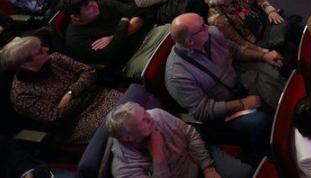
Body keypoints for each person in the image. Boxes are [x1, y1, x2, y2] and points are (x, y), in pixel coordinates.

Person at [164, 13, 280, 157]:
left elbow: (235, 50)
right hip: (223, 112)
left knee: (276, 84)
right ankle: (265, 155)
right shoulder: (177, 76)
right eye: (202, 27)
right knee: (261, 121)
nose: (208, 27)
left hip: (239, 83)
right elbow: (203, 110)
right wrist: (242, 104)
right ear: (190, 41)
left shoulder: (211, 34)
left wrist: (263, 56)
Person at [0, 36, 122, 143]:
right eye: (40, 51)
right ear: (25, 64)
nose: (46, 49)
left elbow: (89, 71)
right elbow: (57, 117)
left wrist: (71, 93)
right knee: (123, 126)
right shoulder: (22, 94)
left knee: (133, 108)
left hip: (99, 96)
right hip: (78, 122)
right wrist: (84, 88)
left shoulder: (54, 58)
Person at [106, 102, 253, 178]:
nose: (150, 118)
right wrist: (159, 159)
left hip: (196, 159)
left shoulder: (157, 115)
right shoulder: (123, 170)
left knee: (245, 174)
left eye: (145, 112)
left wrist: (207, 167)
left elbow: (191, 135)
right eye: (143, 121)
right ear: (128, 137)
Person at [201, 0, 295, 58]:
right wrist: (264, 53)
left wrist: (270, 10)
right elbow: (240, 42)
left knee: (294, 29)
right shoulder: (218, 20)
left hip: (266, 24)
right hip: (259, 42)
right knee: (289, 50)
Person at [59, 0, 153, 70]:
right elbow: (111, 55)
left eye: (93, 1)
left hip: (148, 35)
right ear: (75, 17)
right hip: (132, 59)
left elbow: (142, 13)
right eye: (89, 7)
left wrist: (112, 38)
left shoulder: (104, 4)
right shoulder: (75, 39)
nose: (95, 5)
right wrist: (124, 22)